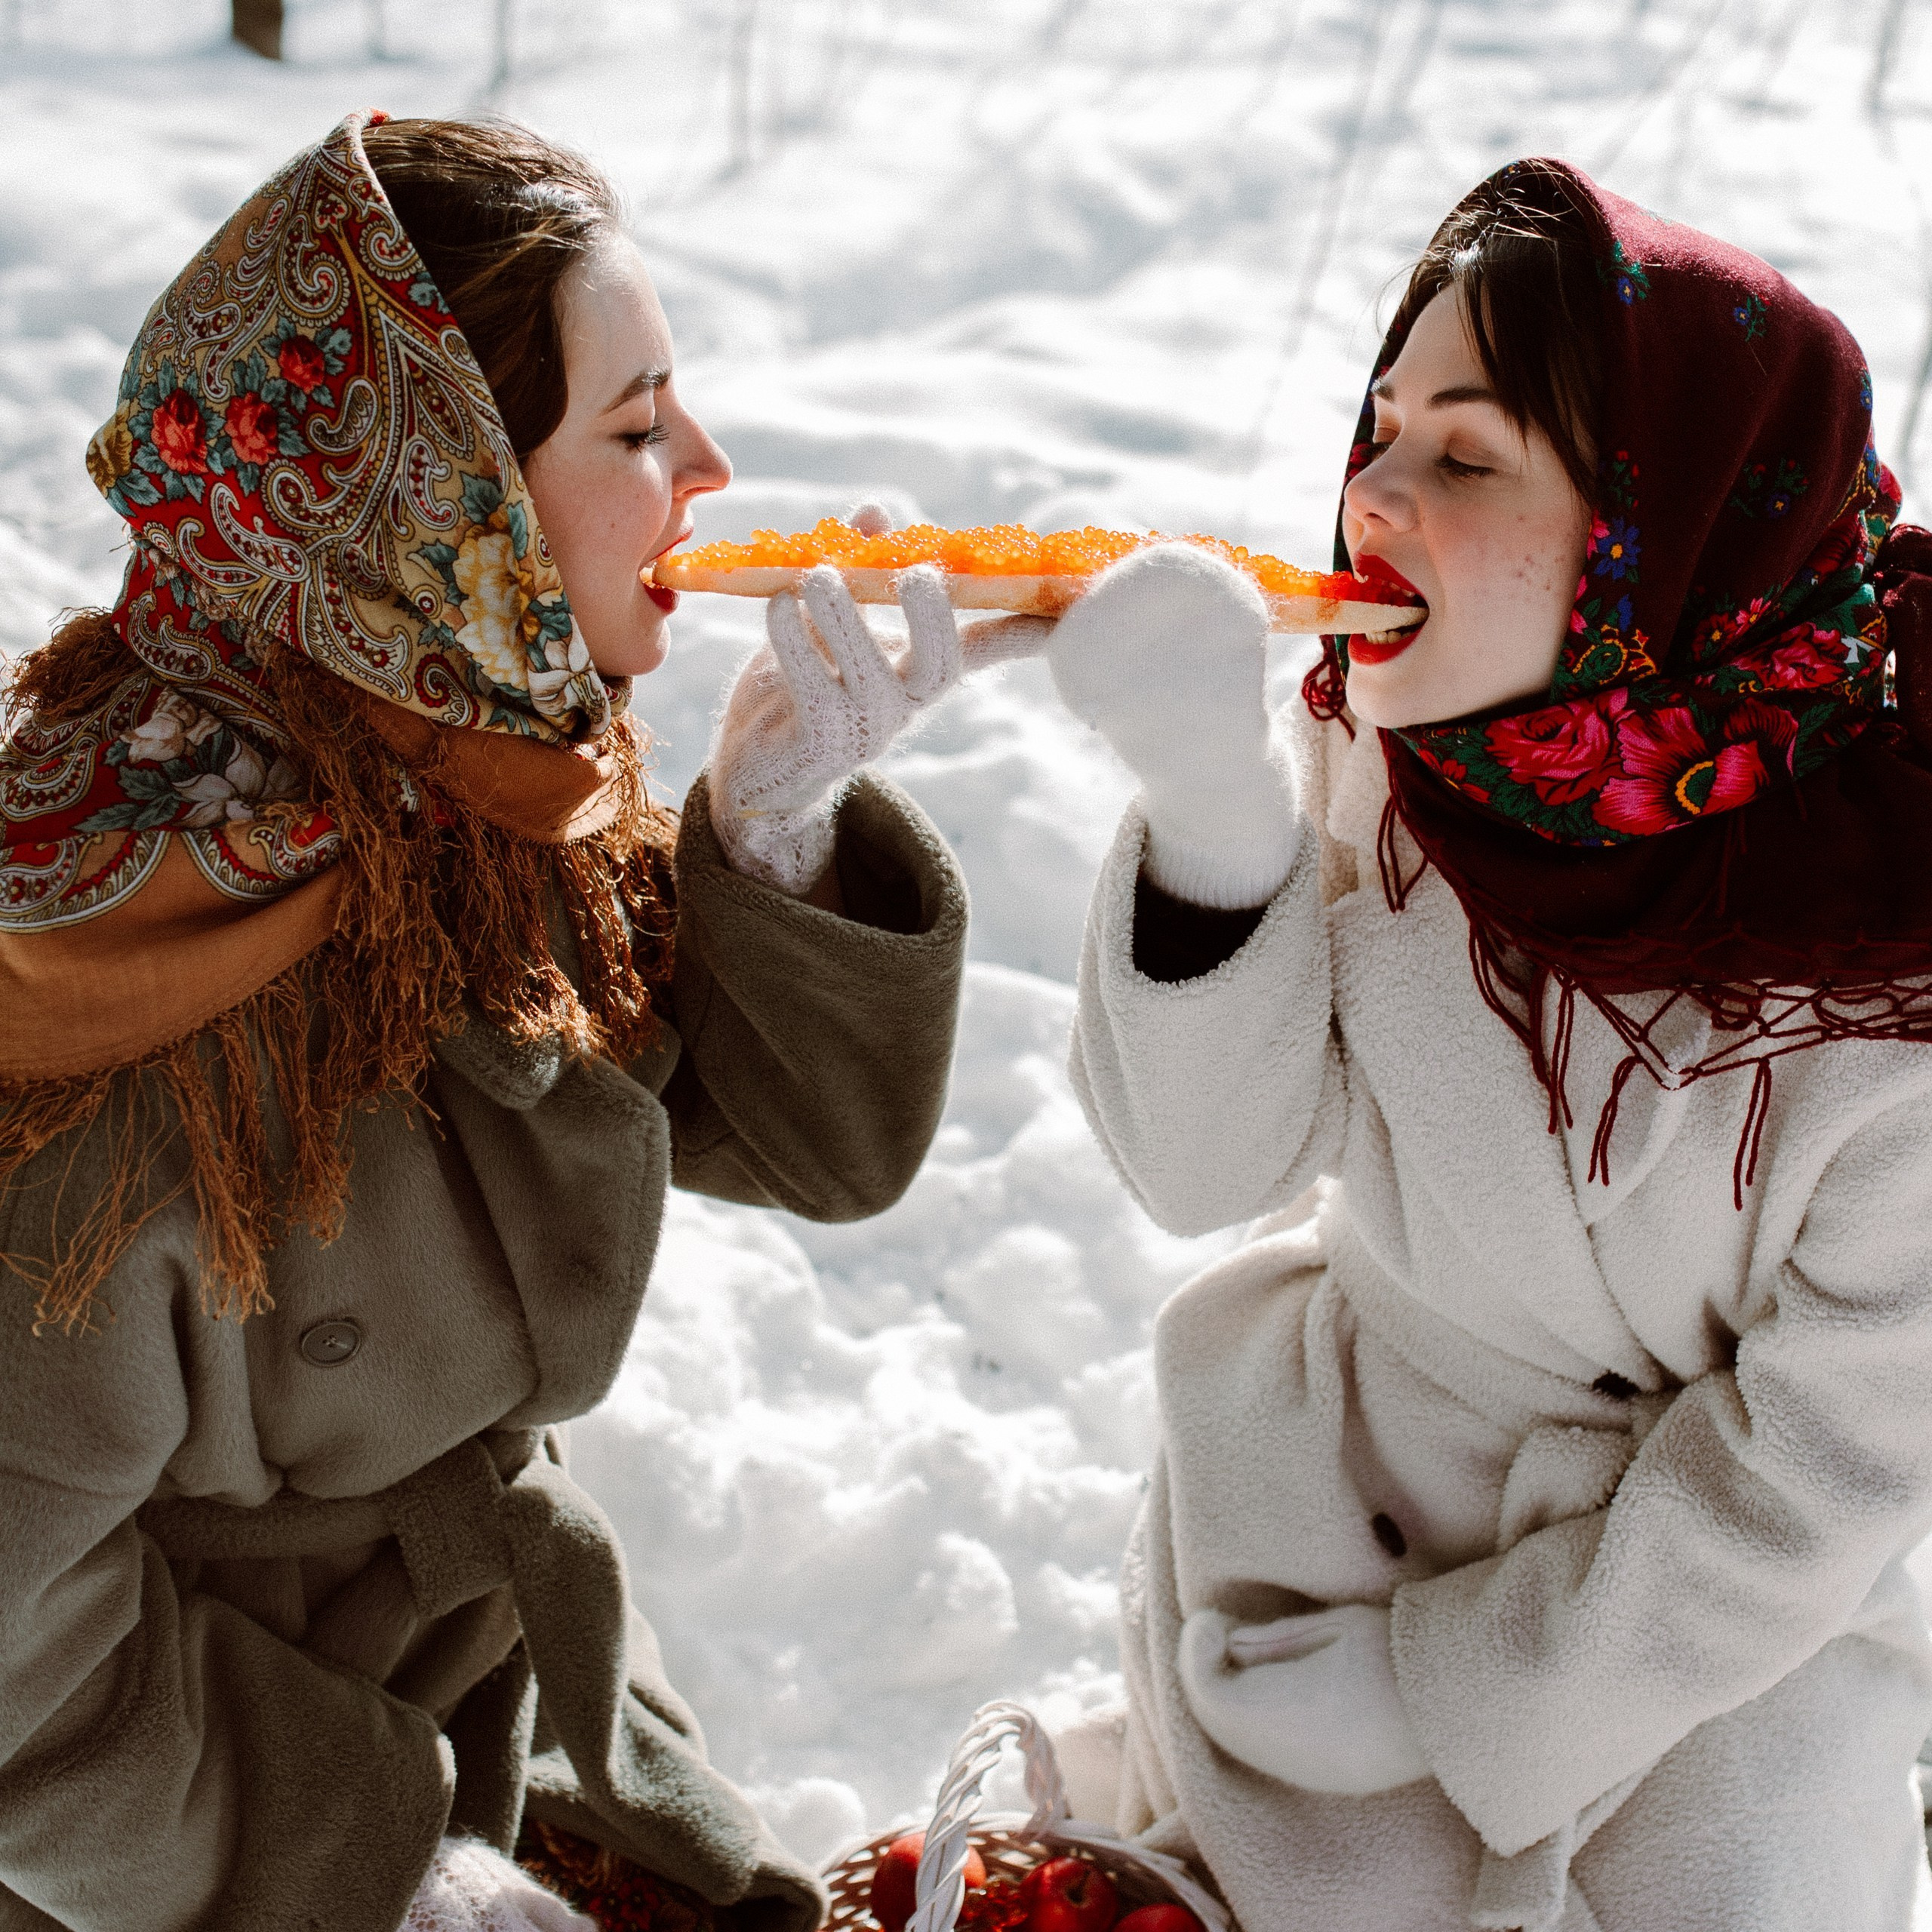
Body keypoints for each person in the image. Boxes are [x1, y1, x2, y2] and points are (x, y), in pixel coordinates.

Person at [0, 109, 1007, 1932]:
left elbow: (800, 1142)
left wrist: (769, 824)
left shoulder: (450, 784)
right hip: (198, 1831)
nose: (704, 461)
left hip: (505, 1698)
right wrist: (383, 1881)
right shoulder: (116, 979)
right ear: (437, 504)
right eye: (632, 428)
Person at [1045, 157, 1932, 1931]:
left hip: (1716, 1628)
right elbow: (1201, 1166)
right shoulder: (1396, 752)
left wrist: (1452, 1686)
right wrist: (1214, 822)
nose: (1368, 493)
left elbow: (1829, 1459)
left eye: (1463, 458)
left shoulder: (1882, 959)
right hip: (1322, 1520)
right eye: (1378, 428)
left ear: (1663, 541)